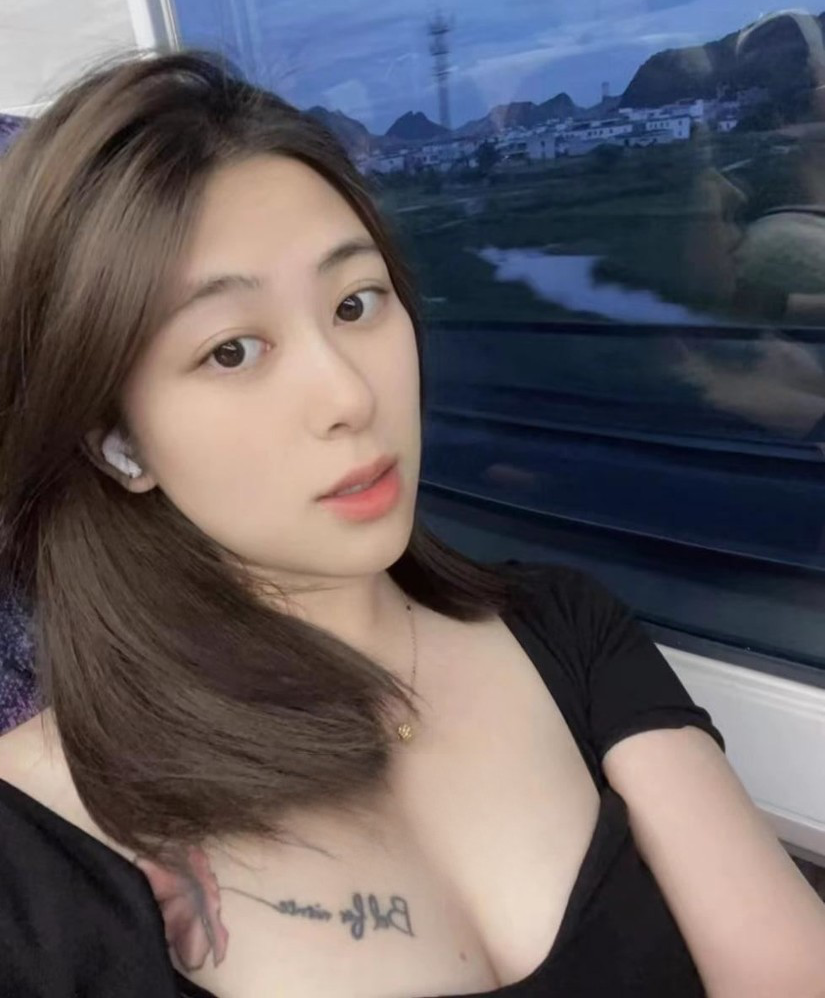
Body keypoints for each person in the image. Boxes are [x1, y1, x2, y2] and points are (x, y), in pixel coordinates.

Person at [0, 53, 822, 998]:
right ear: (114, 439)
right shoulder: (33, 855)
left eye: (356, 304)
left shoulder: (563, 631)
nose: (349, 395)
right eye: (231, 350)